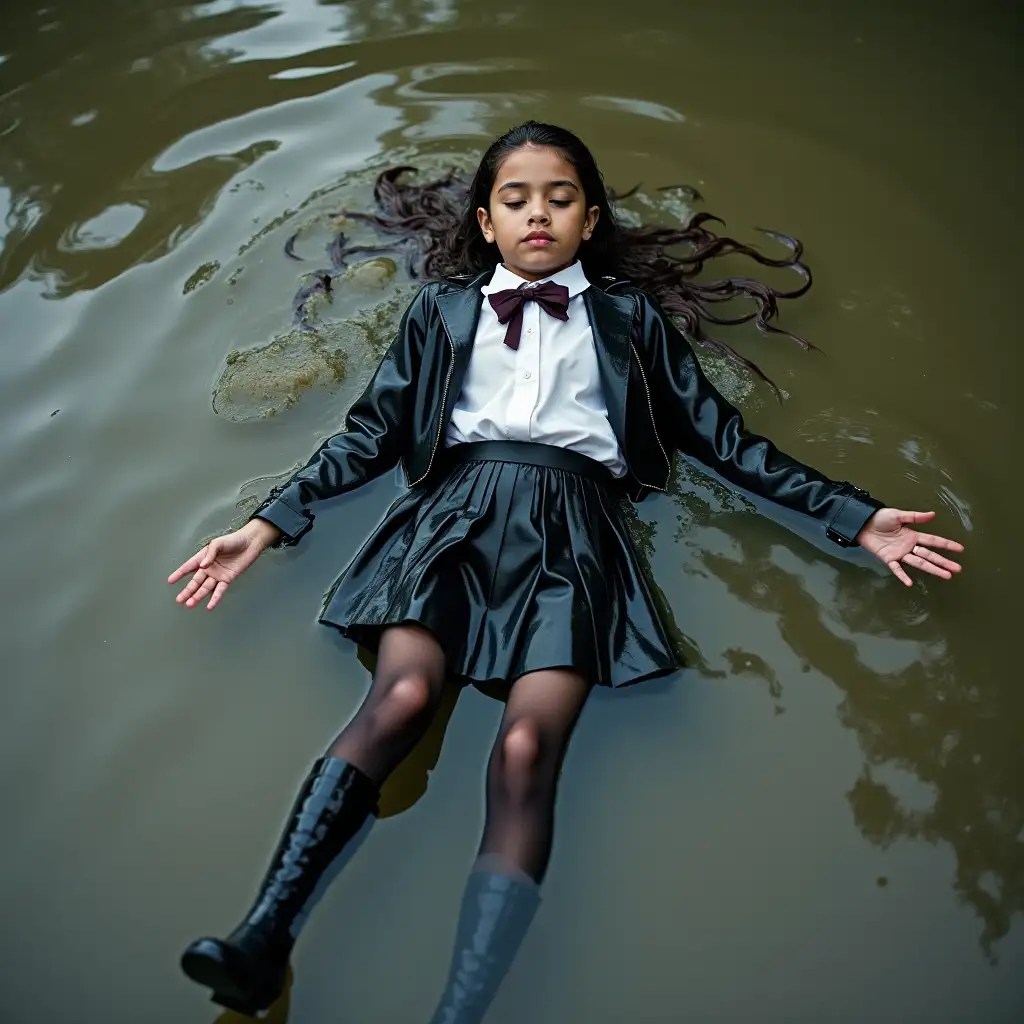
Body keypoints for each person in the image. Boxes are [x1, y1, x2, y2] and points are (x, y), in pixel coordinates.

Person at [168, 122, 964, 1021]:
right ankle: (264, 938)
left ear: (590, 220)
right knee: (399, 702)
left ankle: (458, 1014)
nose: (537, 213)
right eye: (516, 198)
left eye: (560, 197)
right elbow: (368, 433)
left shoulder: (632, 321)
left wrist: (854, 518)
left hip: (576, 539)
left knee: (523, 749)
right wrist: (269, 521)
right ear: (485, 220)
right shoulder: (439, 312)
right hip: (449, 526)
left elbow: (725, 441)